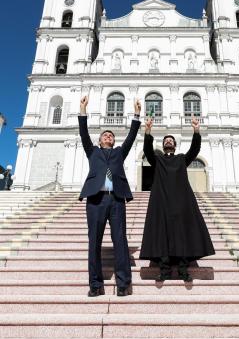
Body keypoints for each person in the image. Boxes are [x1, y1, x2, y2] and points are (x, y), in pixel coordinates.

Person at [79, 96, 141, 297]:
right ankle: (95, 285)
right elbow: (83, 133)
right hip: (95, 200)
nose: (108, 136)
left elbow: (131, 137)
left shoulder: (119, 153)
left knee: (120, 240)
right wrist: (82, 110)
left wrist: (136, 115)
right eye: (105, 135)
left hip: (116, 199)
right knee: (93, 242)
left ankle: (123, 284)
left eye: (111, 136)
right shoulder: (92, 152)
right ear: (99, 140)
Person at [140, 115, 215, 281]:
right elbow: (147, 150)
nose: (168, 141)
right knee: (162, 235)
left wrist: (196, 130)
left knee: (181, 235)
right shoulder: (157, 160)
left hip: (181, 202)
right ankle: (164, 270)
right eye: (166, 140)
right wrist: (148, 131)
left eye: (171, 140)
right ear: (163, 144)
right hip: (161, 202)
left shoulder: (182, 159)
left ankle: (183, 270)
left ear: (174, 145)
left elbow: (194, 150)